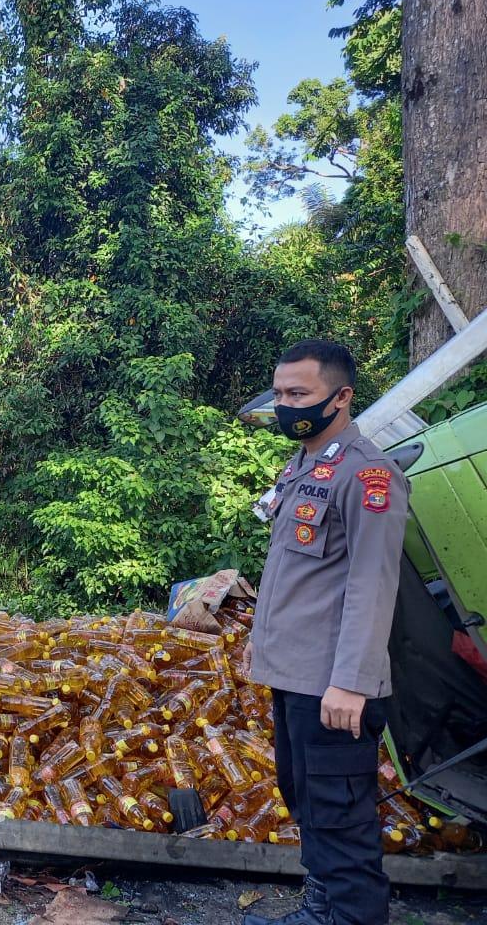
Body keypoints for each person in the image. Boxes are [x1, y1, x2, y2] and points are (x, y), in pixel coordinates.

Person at [239, 340, 409, 925]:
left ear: (340, 397)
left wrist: (351, 683)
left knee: (341, 816)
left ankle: (351, 916)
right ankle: (323, 907)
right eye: (280, 394)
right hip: (296, 676)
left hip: (333, 685)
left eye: (299, 393)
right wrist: (261, 640)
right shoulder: (303, 466)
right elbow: (293, 572)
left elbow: (372, 583)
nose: (286, 405)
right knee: (308, 801)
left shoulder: (368, 475)